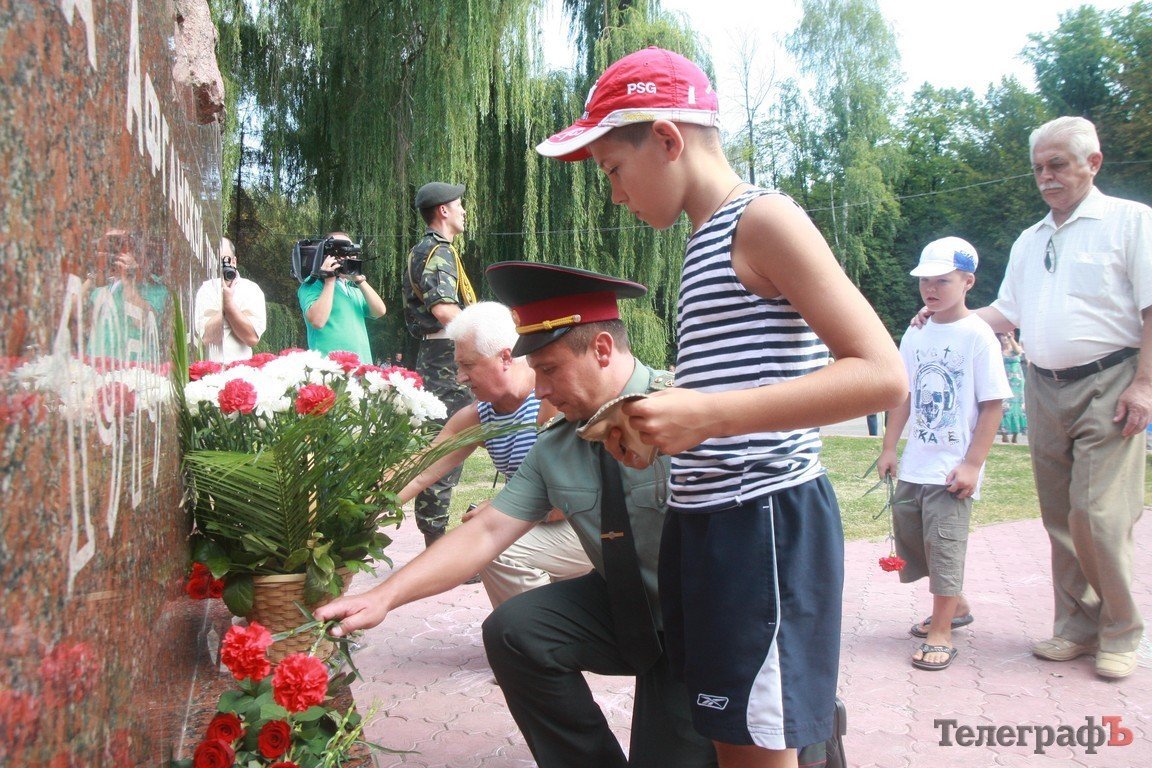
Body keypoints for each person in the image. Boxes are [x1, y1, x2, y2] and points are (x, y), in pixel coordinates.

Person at [535, 46, 904, 767]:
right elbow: (735, 380)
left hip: (761, 523)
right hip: (704, 522)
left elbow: (882, 374)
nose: (614, 194)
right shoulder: (702, 240)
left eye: (613, 170)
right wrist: (665, 418)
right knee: (732, 738)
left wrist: (710, 417)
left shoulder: (762, 220)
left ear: (668, 139)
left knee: (762, 746)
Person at [318, 263, 719, 768]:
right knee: (516, 630)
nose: (541, 389)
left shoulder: (688, 411)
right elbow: (487, 531)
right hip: (627, 606)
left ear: (600, 349)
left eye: (549, 370)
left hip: (703, 628)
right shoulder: (555, 444)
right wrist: (383, 596)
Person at [912, 116, 1151, 680]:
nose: (1046, 177)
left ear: (1093, 163)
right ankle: (1074, 627)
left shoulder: (1131, 223)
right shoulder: (1030, 239)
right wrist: (944, 314)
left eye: (1058, 165)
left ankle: (1121, 630)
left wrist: (1145, 384)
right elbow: (1003, 314)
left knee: (1096, 514)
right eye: (1039, 168)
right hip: (1046, 384)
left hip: (1111, 380)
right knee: (1059, 516)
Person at [397, 301, 593, 607]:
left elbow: (571, 499)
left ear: (505, 357)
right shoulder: (478, 415)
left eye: (468, 365)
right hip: (544, 521)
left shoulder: (553, 400)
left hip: (588, 523)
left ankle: (546, 640)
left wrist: (502, 509)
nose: (459, 377)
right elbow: (419, 471)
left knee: (493, 546)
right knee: (493, 534)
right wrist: (359, 508)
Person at [876, 237, 1011, 671]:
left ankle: (941, 630)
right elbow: (904, 394)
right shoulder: (916, 331)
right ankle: (958, 606)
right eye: (925, 282)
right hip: (916, 464)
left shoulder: (979, 336)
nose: (931, 289)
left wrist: (973, 464)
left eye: (943, 281)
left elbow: (994, 403)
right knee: (917, 545)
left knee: (946, 547)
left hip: (952, 469)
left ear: (968, 282)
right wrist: (889, 447)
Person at [403, 182, 477, 547]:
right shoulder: (437, 252)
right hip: (446, 357)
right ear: (443, 211)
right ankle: (437, 545)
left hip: (440, 355)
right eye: (459, 205)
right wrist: (486, 340)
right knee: (449, 447)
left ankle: (435, 539)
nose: (464, 211)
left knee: (444, 443)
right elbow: (445, 309)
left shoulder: (431, 250)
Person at [297, 231, 386, 361]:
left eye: (349, 252)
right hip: (329, 370)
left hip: (361, 367)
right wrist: (329, 280)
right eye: (339, 251)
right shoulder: (313, 284)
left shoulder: (353, 287)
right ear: (325, 255)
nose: (345, 257)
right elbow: (317, 321)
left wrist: (359, 280)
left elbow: (379, 311)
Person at [194, 237, 266, 362]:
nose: (222, 265)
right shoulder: (206, 290)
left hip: (242, 370)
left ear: (234, 261)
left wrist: (229, 305)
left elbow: (252, 338)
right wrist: (224, 308)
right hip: (210, 371)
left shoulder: (251, 289)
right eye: (217, 260)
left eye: (225, 260)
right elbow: (207, 339)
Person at [997, 333, 1027, 443]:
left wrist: (1011, 338)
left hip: (1017, 382)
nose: (1004, 338)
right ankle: (1004, 433)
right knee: (1004, 407)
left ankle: (1015, 434)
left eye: (1006, 336)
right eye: (1003, 336)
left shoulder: (1015, 348)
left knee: (1017, 407)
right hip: (1004, 381)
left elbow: (1018, 352)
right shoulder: (998, 351)